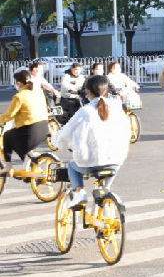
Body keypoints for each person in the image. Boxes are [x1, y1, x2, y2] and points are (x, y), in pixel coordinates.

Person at [51, 75, 130, 207]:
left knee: (72, 166)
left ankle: (79, 193)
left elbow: (66, 132)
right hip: (116, 160)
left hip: (91, 163)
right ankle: (104, 191)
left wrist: (55, 140)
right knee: (109, 176)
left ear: (88, 92)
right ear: (107, 90)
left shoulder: (85, 111)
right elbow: (127, 132)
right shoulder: (118, 109)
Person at [0, 69, 51, 174]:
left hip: (31, 131)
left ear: (18, 83)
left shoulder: (19, 96)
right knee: (19, 138)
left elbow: (9, 116)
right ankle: (32, 162)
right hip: (44, 129)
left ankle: (8, 167)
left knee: (7, 136)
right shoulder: (39, 93)